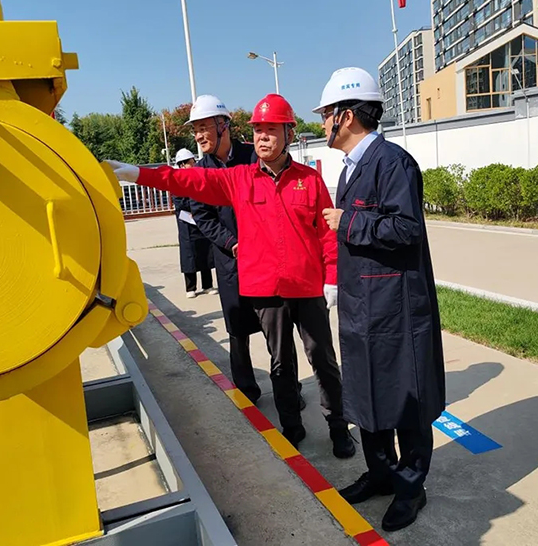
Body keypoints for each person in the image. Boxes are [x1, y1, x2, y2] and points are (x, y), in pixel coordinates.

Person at [107, 94, 355, 458]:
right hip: (267, 290)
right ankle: (292, 426)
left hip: (306, 287)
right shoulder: (239, 179)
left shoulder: (309, 180)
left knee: (323, 360)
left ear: (289, 134)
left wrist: (331, 277)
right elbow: (187, 181)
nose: (262, 137)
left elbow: (325, 234)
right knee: (280, 363)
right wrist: (137, 173)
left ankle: (338, 427)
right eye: (258, 131)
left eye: (271, 130)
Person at [316, 68, 446, 532]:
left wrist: (348, 222)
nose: (322, 123)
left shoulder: (393, 163)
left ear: (347, 116)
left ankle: (411, 488)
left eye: (326, 114)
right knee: (367, 394)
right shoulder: (352, 166)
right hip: (361, 305)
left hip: (394, 307)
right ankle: (381, 473)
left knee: (404, 399)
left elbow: (407, 229)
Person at [184, 95, 263, 404]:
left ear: (223, 125)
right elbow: (203, 218)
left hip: (265, 259)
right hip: (231, 260)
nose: (199, 136)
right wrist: (232, 243)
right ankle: (247, 393)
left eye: (204, 127)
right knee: (238, 331)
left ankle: (289, 392)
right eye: (195, 130)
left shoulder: (253, 157)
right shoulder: (200, 174)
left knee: (277, 330)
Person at [171, 148, 216, 299]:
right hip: (186, 222)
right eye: (191, 162)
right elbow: (180, 203)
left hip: (201, 220)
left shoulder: (198, 177)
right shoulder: (177, 181)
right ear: (182, 165)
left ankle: (207, 285)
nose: (194, 164)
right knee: (189, 254)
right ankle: (190, 287)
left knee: (205, 251)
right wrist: (195, 207)